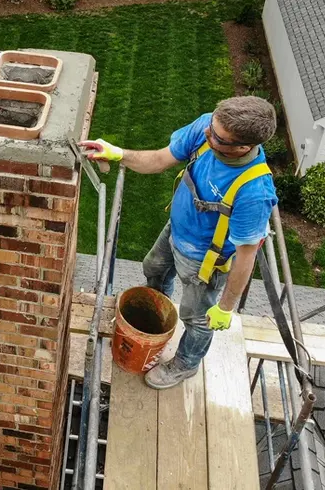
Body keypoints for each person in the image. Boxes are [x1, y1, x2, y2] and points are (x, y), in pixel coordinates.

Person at [80, 96, 278, 390]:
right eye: (211, 127)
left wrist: (225, 307)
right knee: (154, 269)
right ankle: (156, 319)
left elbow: (246, 256)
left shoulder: (253, 191)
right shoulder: (209, 126)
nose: (207, 134)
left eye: (217, 137)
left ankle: (186, 363)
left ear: (243, 147)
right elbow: (161, 159)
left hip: (205, 260)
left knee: (196, 318)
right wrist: (117, 153)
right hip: (176, 230)